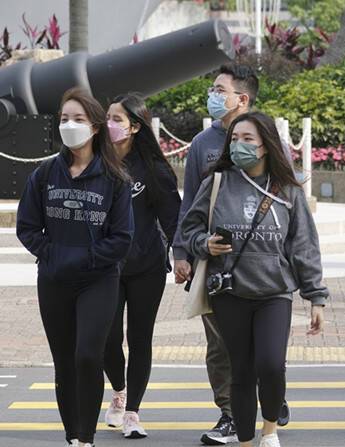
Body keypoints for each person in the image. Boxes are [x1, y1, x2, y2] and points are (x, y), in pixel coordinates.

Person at [180, 111, 327, 447]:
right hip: (229, 291)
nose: (238, 145)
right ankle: (246, 440)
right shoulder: (217, 183)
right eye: (234, 139)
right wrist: (205, 244)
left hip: (274, 292)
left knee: (271, 364)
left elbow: (304, 244)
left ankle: (270, 430)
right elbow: (189, 229)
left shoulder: (286, 189)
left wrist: (316, 296)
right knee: (241, 370)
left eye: (247, 139)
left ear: (265, 146)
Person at [16, 87, 133, 447]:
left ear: (96, 127)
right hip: (54, 280)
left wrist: (87, 258)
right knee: (64, 362)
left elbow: (122, 237)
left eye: (79, 119)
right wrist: (52, 254)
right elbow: (27, 227)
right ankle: (74, 437)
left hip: (98, 281)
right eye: (65, 119)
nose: (70, 125)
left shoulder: (114, 179)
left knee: (87, 355)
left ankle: (87, 434)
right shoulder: (46, 172)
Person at [172, 63, 255, 445]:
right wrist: (183, 250)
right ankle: (229, 413)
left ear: (243, 98)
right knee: (219, 342)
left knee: (260, 339)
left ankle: (270, 395)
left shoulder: (266, 138)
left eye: (220, 89)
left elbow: (288, 199)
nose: (213, 94)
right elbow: (189, 203)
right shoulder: (203, 143)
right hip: (213, 258)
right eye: (212, 88)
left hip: (260, 260)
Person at [101, 93, 181, 439]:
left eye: (117, 119)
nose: (109, 125)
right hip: (104, 266)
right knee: (107, 335)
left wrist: (183, 257)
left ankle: (132, 410)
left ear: (135, 126)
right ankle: (118, 391)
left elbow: (173, 218)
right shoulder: (94, 161)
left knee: (139, 337)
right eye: (107, 117)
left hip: (146, 266)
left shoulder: (153, 169)